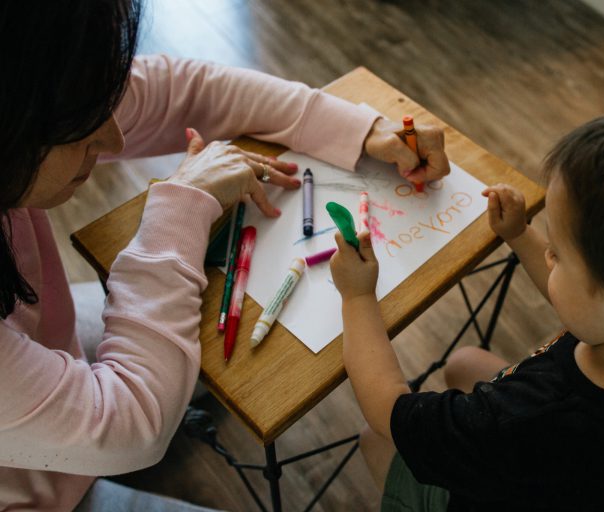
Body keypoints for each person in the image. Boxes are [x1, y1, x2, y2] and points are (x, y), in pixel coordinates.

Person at [0, 1, 450, 510]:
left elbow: (180, 91)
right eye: (80, 123)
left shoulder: (26, 88)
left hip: (41, 346)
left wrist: (361, 129)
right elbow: (129, 426)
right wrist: (179, 207)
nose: (114, 138)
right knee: (179, 379)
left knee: (200, 360)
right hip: (36, 492)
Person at [329, 105, 604, 510]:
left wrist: (358, 296)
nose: (549, 256)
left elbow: (388, 410)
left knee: (374, 439)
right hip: (595, 487)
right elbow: (590, 306)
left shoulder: (522, 420)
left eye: (557, 252)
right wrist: (521, 234)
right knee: (464, 363)